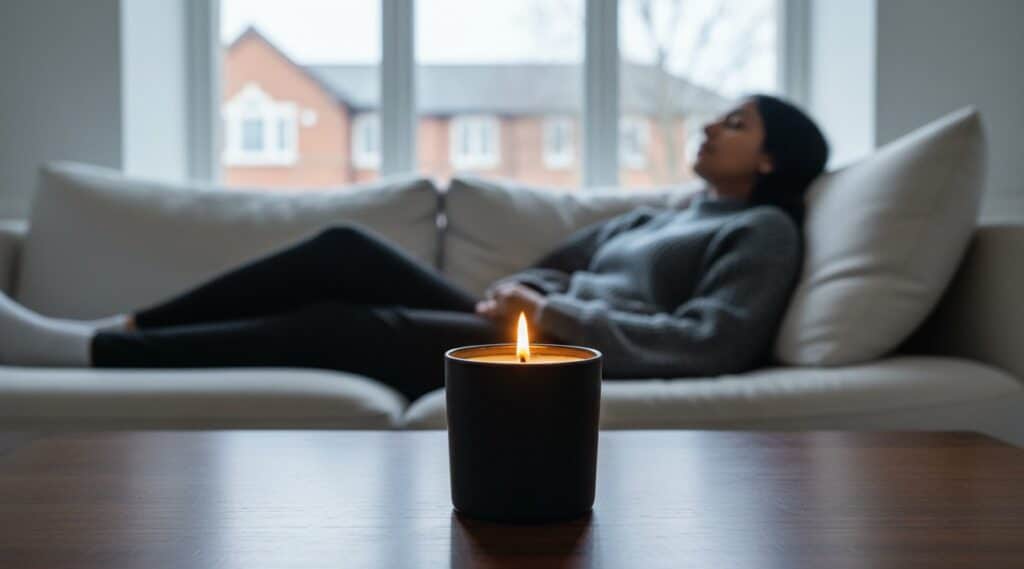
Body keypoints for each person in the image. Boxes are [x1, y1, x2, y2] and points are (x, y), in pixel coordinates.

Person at [0, 94, 828, 402]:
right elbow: (565, 258)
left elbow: (715, 341)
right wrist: (524, 291)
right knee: (344, 248)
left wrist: (553, 314)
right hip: (531, 325)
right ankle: (128, 325)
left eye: (738, 122)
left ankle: (91, 353)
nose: (713, 126)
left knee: (352, 325)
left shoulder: (762, 231)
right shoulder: (667, 212)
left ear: (770, 157)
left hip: (573, 354)